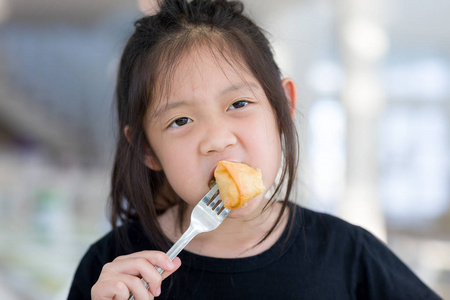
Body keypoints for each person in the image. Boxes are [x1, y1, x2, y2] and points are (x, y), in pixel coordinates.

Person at [68, 0, 442, 299]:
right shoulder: (113, 269)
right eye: (180, 121)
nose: (218, 139)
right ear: (147, 149)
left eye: (238, 104)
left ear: (283, 108)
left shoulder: (346, 253)